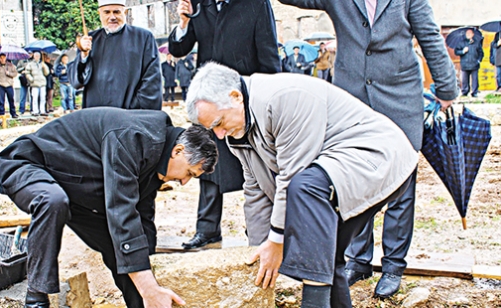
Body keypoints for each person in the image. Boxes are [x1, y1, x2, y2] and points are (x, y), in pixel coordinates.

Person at [185, 62, 418, 307]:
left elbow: (293, 174)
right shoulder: (238, 134)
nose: (220, 135)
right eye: (213, 129)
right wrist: (259, 250)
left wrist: (276, 241)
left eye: (219, 123)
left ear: (235, 97)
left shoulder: (284, 98)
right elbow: (256, 193)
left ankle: (313, 303)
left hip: (378, 157)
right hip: (337, 175)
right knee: (330, 257)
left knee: (304, 187)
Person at [278, 0, 459, 298]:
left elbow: (429, 37)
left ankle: (392, 266)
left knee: (400, 187)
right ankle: (359, 260)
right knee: (353, 183)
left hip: (400, 100)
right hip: (353, 104)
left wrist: (447, 90)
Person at [0, 107, 218, 308]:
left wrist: (149, 280)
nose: (185, 181)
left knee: (120, 244)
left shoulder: (157, 158)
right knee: (52, 201)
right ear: (177, 151)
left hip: (74, 190)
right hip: (28, 164)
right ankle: (36, 298)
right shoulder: (132, 137)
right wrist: (148, 287)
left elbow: (142, 221)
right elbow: (121, 211)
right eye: (189, 172)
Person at [168, 0, 281, 250]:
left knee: (257, 165)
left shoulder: (256, 4)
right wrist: (185, 22)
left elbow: (269, 52)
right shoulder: (199, 4)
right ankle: (207, 230)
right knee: (206, 164)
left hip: (241, 101)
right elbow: (178, 49)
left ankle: (261, 228)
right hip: (208, 101)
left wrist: (270, 97)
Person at [68, 0, 162, 110]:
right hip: (96, 114)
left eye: (116, 12)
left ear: (125, 12)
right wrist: (83, 55)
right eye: (107, 12)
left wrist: (138, 107)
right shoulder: (89, 40)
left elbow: (152, 79)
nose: (112, 17)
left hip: (131, 113)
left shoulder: (143, 37)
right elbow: (77, 82)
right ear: (100, 14)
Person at [455, 28, 484, 97]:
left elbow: (481, 53)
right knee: (465, 80)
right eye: (467, 33)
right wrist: (462, 51)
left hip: (474, 64)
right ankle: (465, 92)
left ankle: (474, 92)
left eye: (469, 33)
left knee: (475, 79)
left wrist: (478, 60)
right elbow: (456, 52)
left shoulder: (477, 43)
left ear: (473, 34)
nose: (468, 35)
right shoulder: (461, 42)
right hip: (465, 64)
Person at [0, 53, 19, 118]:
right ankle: (1, 114)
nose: (2, 59)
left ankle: (13, 113)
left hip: (9, 84)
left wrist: (9, 73)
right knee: (1, 101)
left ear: (6, 58)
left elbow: (15, 73)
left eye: (4, 57)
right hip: (0, 84)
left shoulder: (10, 65)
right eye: (1, 58)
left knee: (11, 99)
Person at [25, 51, 50, 116]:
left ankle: (42, 110)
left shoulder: (42, 63)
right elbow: (27, 72)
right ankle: (35, 111)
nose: (37, 57)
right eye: (36, 56)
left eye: (38, 56)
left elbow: (47, 73)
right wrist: (31, 79)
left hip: (42, 83)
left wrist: (44, 66)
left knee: (43, 98)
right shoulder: (30, 64)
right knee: (35, 98)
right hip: (34, 83)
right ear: (34, 56)